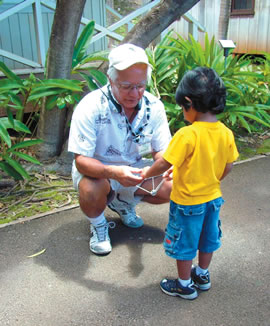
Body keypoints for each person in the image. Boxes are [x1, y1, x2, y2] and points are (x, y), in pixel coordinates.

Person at [141, 67, 239, 300]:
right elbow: (228, 166)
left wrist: (146, 173)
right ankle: (202, 275)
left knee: (184, 242)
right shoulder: (225, 133)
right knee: (207, 239)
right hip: (213, 199)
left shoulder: (187, 134)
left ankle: (184, 285)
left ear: (188, 102)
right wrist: (211, 180)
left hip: (187, 203)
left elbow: (164, 163)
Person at [68, 43, 172, 256]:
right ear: (110, 80)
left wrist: (167, 166)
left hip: (136, 169)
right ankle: (98, 224)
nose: (135, 93)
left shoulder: (155, 106)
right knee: (90, 189)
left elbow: (162, 152)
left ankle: (122, 202)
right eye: (126, 86)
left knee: (176, 185)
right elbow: (81, 161)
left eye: (141, 85)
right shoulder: (90, 106)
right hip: (99, 171)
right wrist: (113, 172)